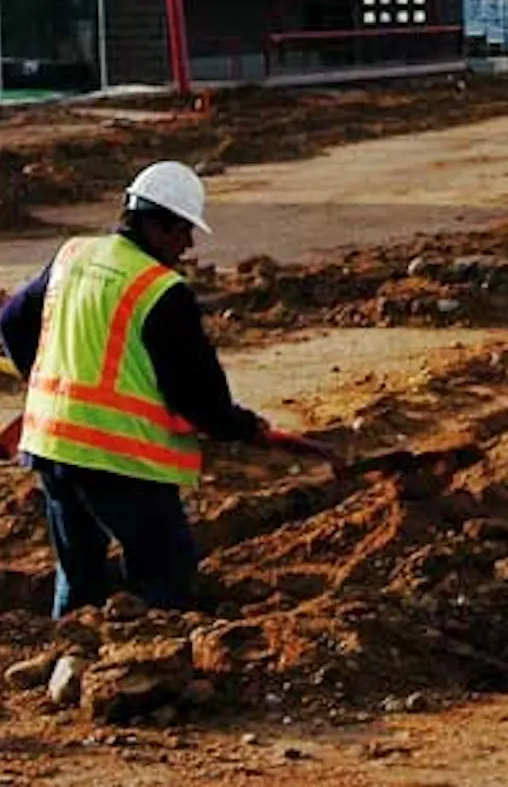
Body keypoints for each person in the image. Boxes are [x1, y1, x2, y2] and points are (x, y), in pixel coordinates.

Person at [0, 161, 338, 617]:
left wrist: (44, 385)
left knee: (80, 573)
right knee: (165, 570)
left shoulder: (73, 254)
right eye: (183, 231)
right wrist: (245, 428)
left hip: (53, 447)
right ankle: (157, 669)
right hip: (118, 457)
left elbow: (13, 321)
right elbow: (198, 398)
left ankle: (68, 659)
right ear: (158, 226)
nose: (188, 245)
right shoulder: (160, 290)